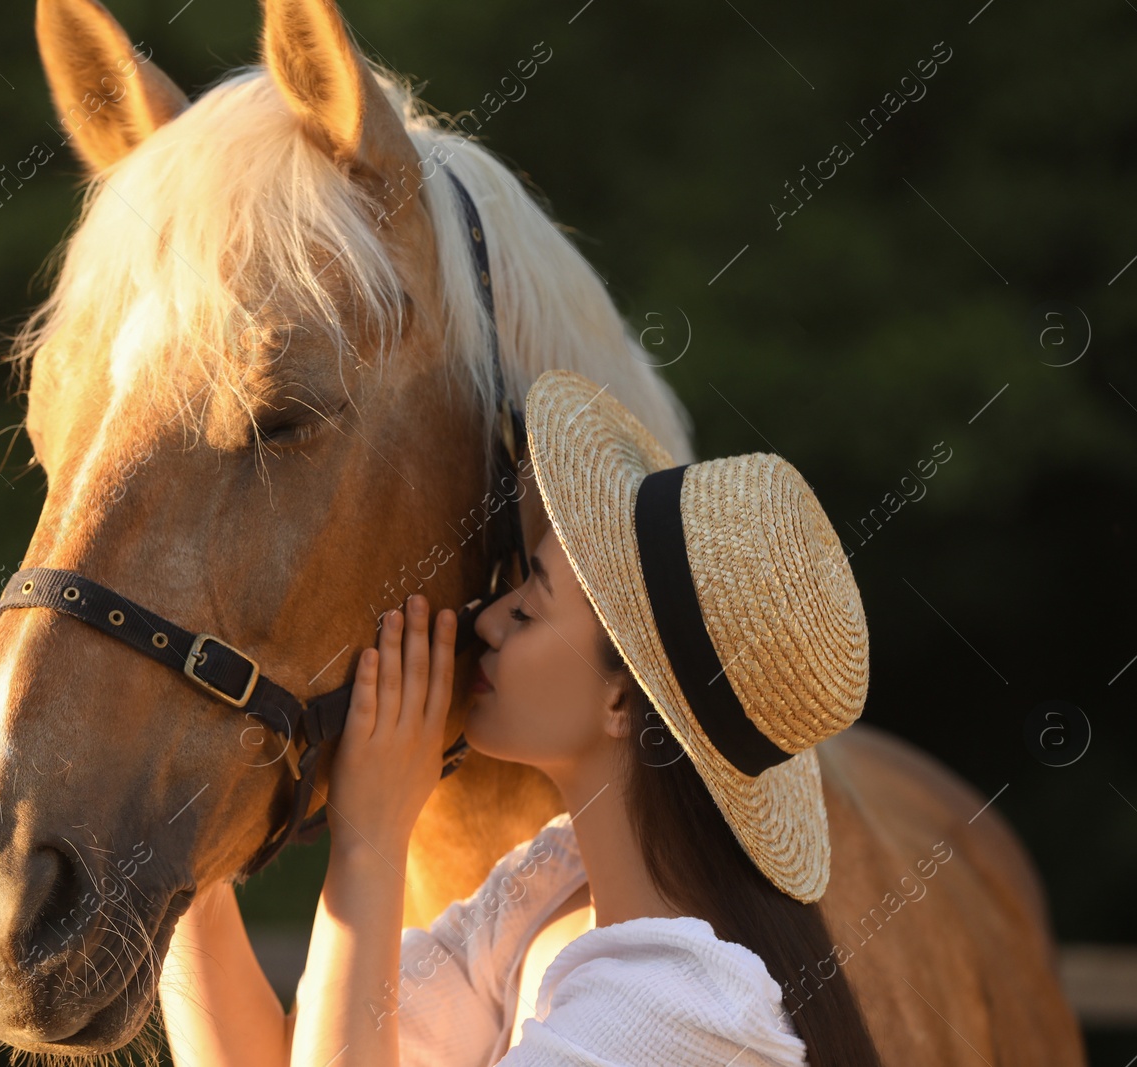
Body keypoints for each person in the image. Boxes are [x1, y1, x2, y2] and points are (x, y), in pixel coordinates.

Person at [161, 368, 881, 1066]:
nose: (493, 619)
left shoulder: (682, 1011)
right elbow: (285, 1056)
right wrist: (175, 830)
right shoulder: (549, 891)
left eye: (531, 606)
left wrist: (370, 843)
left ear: (622, 700)